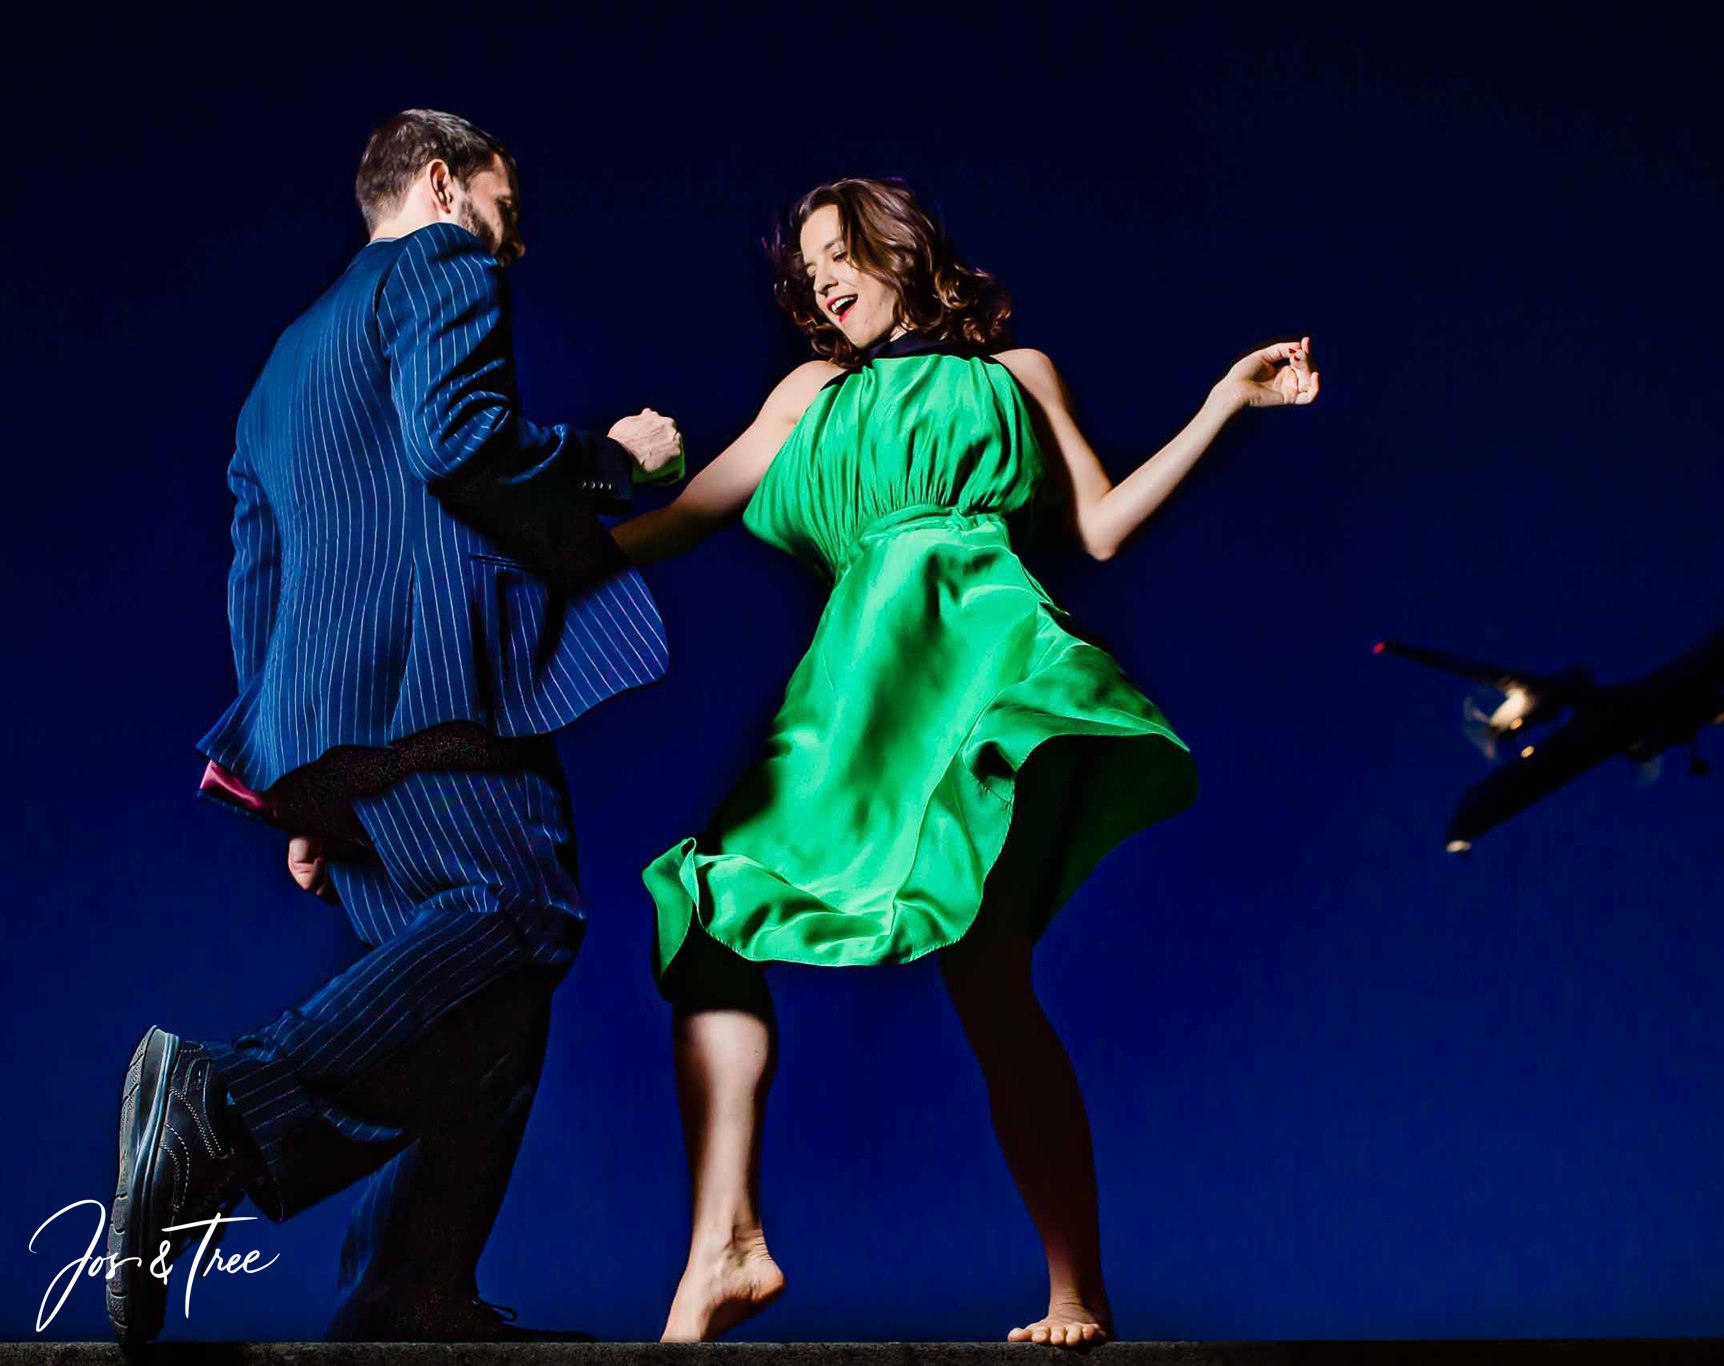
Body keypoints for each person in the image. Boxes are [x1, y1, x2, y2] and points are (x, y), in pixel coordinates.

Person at [612, 176, 1318, 1347]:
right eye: (808, 264)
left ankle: (1076, 1299)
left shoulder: (1014, 375)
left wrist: (1219, 403)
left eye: (844, 251)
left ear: (906, 252)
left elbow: (1095, 528)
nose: (825, 277)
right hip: (856, 701)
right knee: (703, 905)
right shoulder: (808, 394)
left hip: (985, 661)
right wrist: (522, 555)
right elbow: (680, 518)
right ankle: (727, 1241)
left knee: (988, 973)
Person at [107, 109, 678, 1346]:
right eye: (505, 206)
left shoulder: (276, 370)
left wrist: (287, 790)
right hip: (435, 688)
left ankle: (406, 1296)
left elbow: (254, 583)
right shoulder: (441, 264)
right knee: (524, 912)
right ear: (442, 182)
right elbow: (458, 443)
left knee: (480, 1016)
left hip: (325, 730)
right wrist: (613, 460)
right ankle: (218, 1095)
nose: (511, 239)